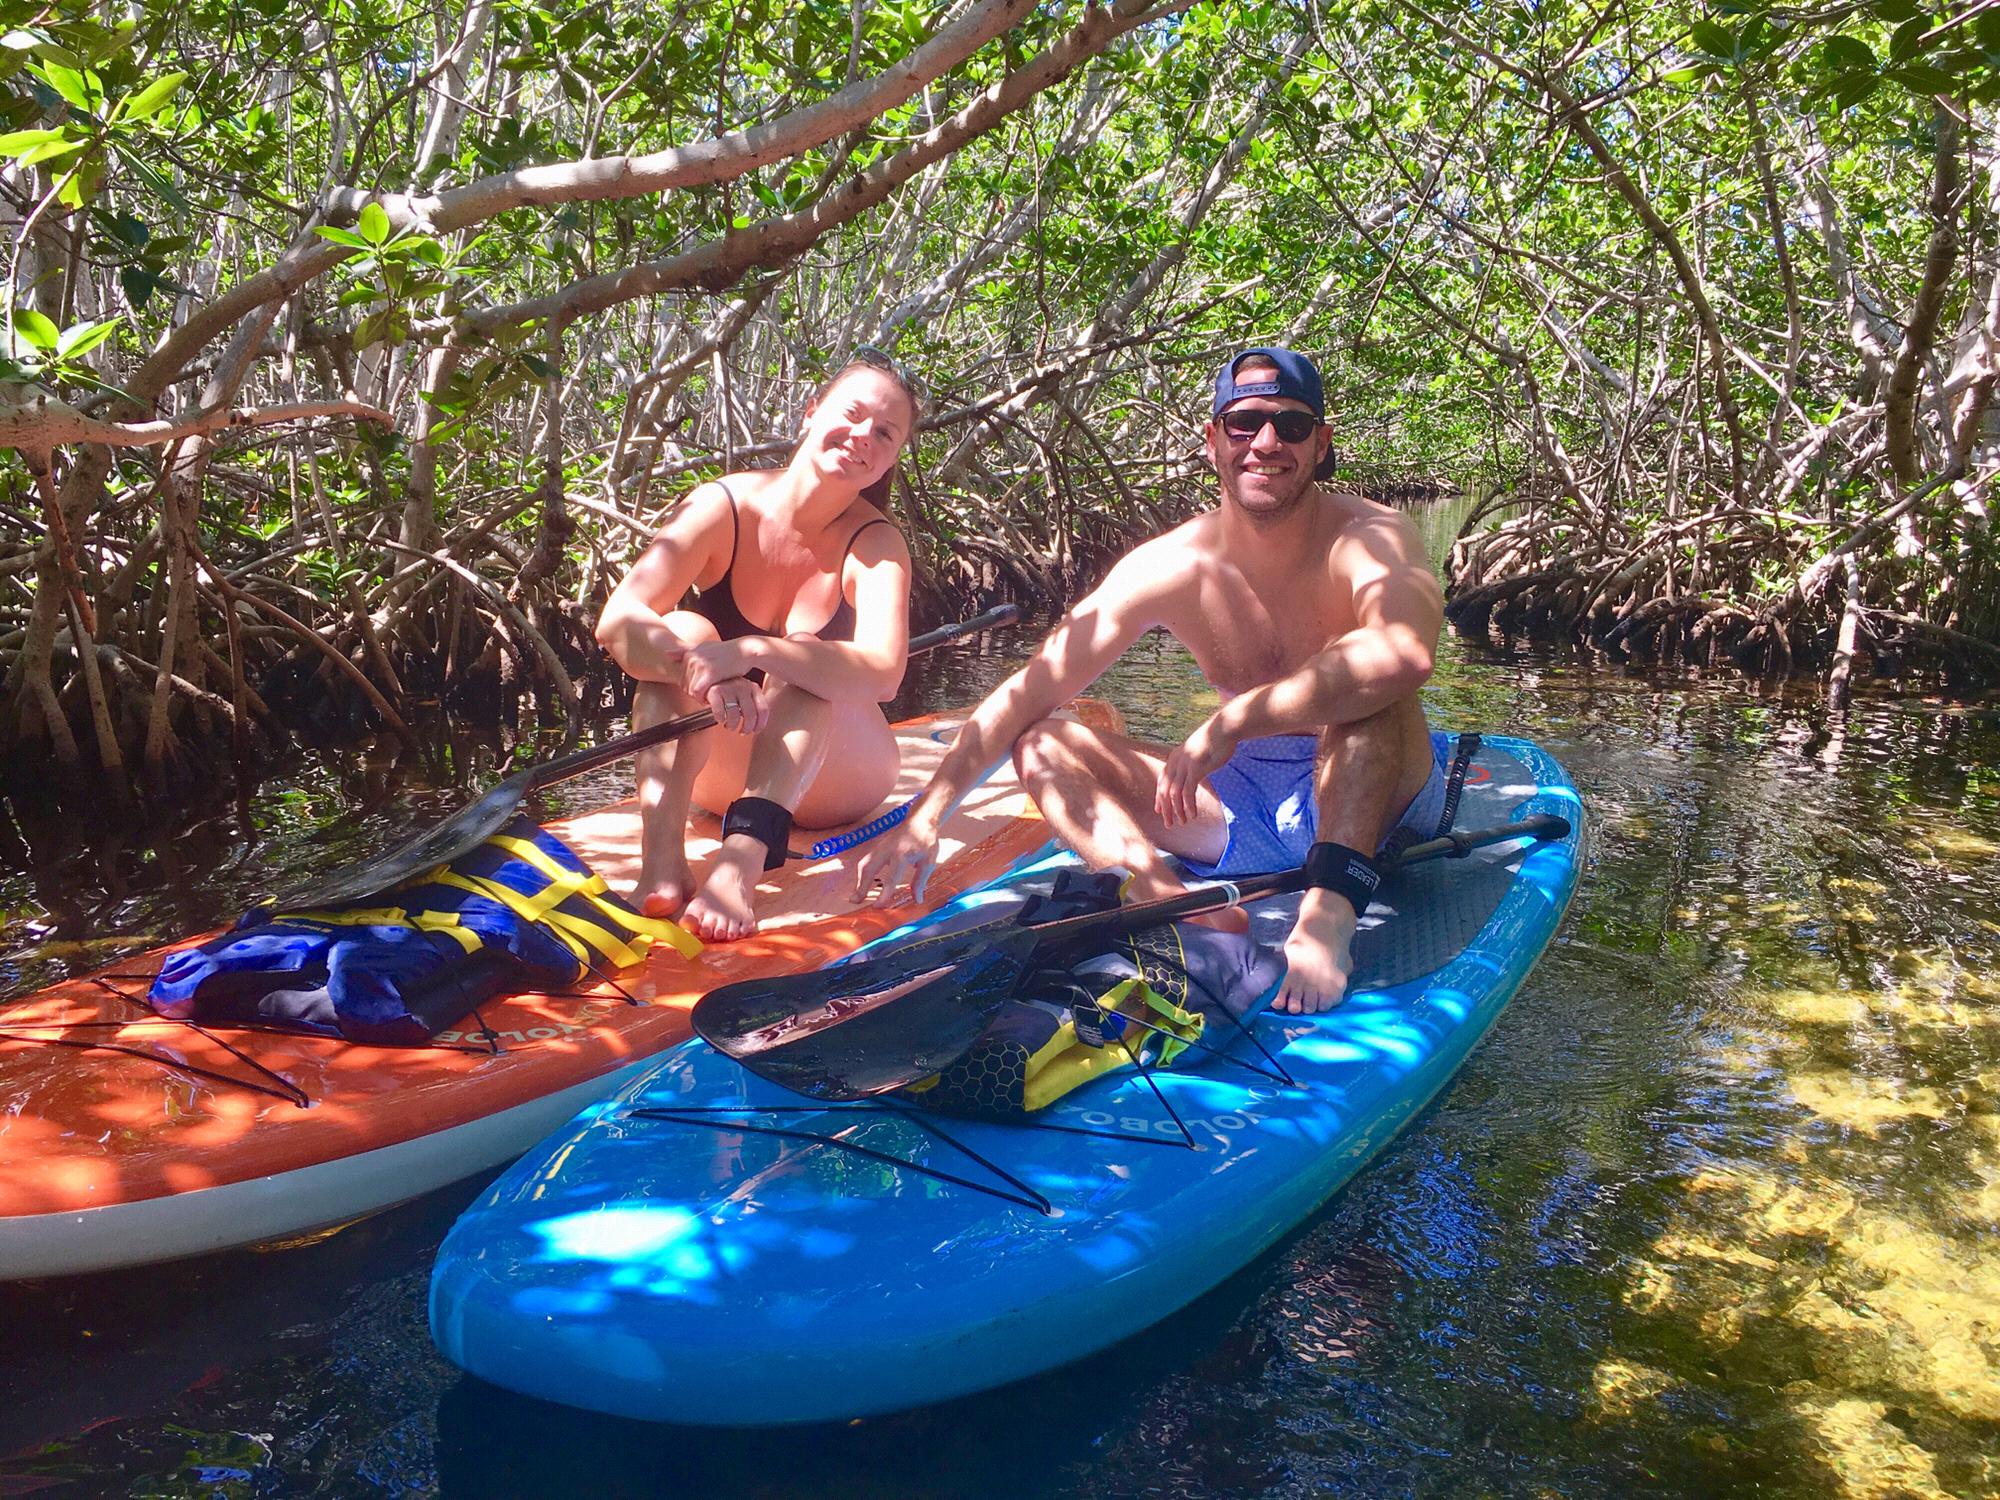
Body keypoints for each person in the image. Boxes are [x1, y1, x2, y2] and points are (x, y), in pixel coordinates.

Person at [854, 346, 1446, 1013]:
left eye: (1292, 425)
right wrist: (928, 815)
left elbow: (1404, 652)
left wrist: (1233, 719)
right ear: (1213, 439)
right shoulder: (1170, 565)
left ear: (1321, 442)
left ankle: (1329, 910)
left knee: (1364, 676)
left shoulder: (1371, 535)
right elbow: (1029, 690)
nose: (1267, 443)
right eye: (1246, 423)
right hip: (1241, 805)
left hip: (1379, 789)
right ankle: (1167, 900)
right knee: (1044, 741)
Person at [595, 352, 919, 942]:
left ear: (891, 459)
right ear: (811, 413)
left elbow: (883, 673)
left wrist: (754, 652)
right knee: (687, 632)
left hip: (836, 782)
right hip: (717, 772)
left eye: (884, 433)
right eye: (852, 415)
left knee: (804, 660)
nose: (862, 437)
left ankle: (741, 863)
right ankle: (661, 863)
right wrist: (708, 671)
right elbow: (619, 619)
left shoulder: (877, 544)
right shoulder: (721, 505)